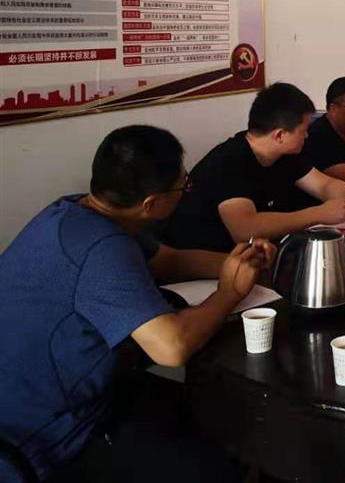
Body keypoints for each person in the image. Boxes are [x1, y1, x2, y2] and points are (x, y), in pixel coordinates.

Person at [0, 125, 276, 482]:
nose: (187, 190)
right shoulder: (101, 249)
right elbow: (171, 348)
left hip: (66, 392)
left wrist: (240, 261)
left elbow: (169, 260)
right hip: (45, 435)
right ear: (151, 204)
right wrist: (228, 293)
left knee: (216, 408)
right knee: (220, 458)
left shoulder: (73, 212)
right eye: (183, 186)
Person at [159, 82, 345, 253]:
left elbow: (323, 185)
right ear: (279, 135)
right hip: (204, 262)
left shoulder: (285, 154)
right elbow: (245, 229)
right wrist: (318, 214)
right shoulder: (230, 161)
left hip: (255, 254)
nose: (307, 135)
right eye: (303, 130)